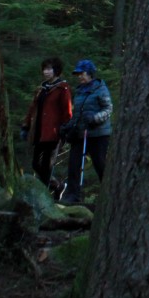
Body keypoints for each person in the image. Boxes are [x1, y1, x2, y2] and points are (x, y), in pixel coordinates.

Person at [60, 59, 112, 205]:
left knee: (100, 164)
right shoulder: (79, 91)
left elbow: (108, 109)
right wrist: (68, 126)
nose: (79, 77)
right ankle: (72, 195)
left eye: (81, 73)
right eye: (78, 74)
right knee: (74, 164)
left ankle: (109, 195)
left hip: (98, 134)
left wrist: (95, 118)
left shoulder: (100, 89)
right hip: (80, 133)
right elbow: (77, 114)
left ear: (89, 73)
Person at [20, 57, 72, 189]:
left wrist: (65, 129)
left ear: (56, 70)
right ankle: (58, 186)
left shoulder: (62, 88)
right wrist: (26, 126)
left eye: (49, 69)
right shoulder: (42, 88)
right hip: (39, 131)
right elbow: (33, 109)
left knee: (47, 165)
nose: (46, 72)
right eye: (44, 69)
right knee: (35, 164)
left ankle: (44, 193)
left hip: (53, 133)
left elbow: (67, 111)